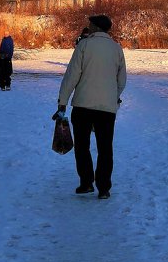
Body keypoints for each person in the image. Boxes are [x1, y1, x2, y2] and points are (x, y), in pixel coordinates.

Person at [54, 14, 127, 200]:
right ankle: (104, 188)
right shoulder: (117, 49)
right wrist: (113, 97)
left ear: (95, 27)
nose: (88, 26)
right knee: (105, 148)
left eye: (90, 24)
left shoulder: (84, 46)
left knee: (82, 146)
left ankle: (86, 182)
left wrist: (62, 101)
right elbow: (121, 80)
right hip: (107, 108)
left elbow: (72, 76)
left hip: (83, 105)